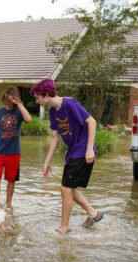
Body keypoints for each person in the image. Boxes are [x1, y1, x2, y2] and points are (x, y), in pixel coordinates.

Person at [31, 79, 103, 234]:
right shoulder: (52, 112)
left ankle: (64, 228)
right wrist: (47, 162)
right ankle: (94, 213)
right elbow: (55, 138)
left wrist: (90, 149)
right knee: (70, 189)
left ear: (46, 95)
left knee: (65, 188)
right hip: (72, 152)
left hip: (83, 150)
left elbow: (92, 122)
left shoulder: (69, 104)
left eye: (37, 97)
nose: (37, 101)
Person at [0, 87, 32, 210]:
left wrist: (20, 104)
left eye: (15, 96)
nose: (12, 98)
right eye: (11, 95)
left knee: (11, 180)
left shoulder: (19, 112)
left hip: (14, 153)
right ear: (5, 96)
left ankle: (9, 204)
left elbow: (28, 119)